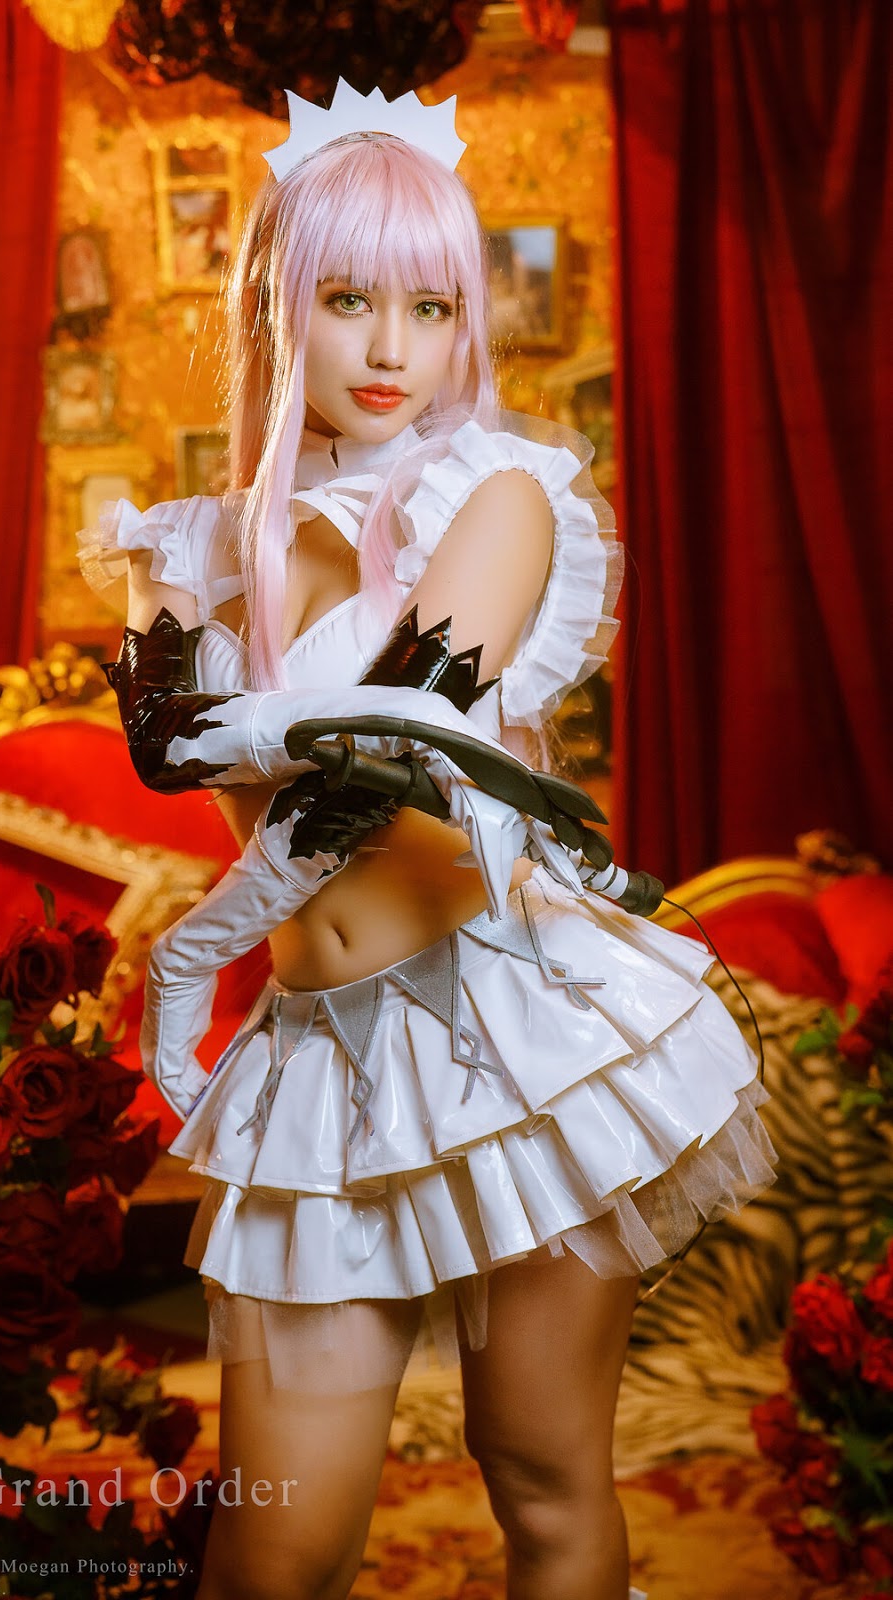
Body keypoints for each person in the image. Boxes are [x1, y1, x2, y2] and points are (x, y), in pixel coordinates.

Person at [79, 80, 777, 1600]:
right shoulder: (177, 549)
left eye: (432, 306)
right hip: (314, 1070)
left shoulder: (502, 496)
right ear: (279, 308)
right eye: (349, 300)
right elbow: (165, 749)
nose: (392, 348)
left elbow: (385, 762)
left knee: (540, 1478)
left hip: (516, 1037)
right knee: (277, 1550)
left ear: (467, 323)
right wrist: (273, 742)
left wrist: (192, 940)